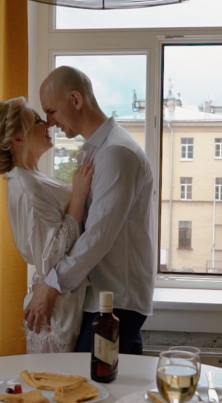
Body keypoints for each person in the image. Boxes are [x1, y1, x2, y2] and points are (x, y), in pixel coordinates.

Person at [24, 66, 155, 354]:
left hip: (116, 302)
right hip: (105, 298)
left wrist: (52, 285)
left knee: (84, 379)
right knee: (118, 382)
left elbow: (98, 235)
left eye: (51, 111)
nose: (49, 123)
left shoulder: (116, 153)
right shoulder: (98, 152)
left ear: (75, 99)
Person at [0, 96, 95, 353]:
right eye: (37, 120)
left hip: (66, 302)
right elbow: (50, 254)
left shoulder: (32, 179)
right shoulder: (25, 184)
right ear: (18, 138)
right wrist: (77, 198)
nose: (48, 124)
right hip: (56, 311)